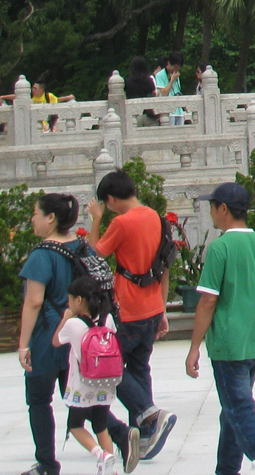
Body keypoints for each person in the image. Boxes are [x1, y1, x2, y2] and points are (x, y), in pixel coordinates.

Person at [185, 183, 255, 475]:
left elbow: (207, 302)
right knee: (232, 411)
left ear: (223, 209)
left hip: (228, 347)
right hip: (253, 345)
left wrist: (193, 347)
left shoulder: (220, 248)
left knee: (239, 410)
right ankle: (226, 470)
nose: (211, 212)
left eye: (212, 206)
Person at [89, 170, 177, 464]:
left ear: (111, 199)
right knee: (139, 367)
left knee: (109, 368)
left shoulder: (121, 222)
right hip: (152, 306)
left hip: (128, 308)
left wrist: (96, 220)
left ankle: (149, 415)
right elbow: (165, 266)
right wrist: (162, 308)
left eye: (107, 203)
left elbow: (95, 256)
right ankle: (144, 432)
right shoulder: (155, 216)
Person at [18, 192, 86, 475]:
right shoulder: (84, 248)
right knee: (82, 397)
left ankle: (47, 464)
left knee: (38, 400)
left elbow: (34, 301)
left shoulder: (42, 254)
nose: (32, 219)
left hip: (48, 335)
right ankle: (119, 436)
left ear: (50, 218)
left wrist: (23, 345)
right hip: (79, 334)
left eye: (35, 213)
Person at [57, 272, 123, 475]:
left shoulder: (73, 324)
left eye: (70, 299)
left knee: (75, 425)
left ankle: (101, 455)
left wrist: (65, 318)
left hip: (84, 383)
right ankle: (111, 469)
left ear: (78, 300)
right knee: (101, 425)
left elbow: (56, 340)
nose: (68, 304)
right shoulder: (108, 318)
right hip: (107, 380)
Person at [124, 57, 162, 126]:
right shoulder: (149, 80)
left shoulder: (127, 82)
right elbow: (154, 94)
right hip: (148, 115)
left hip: (134, 115)